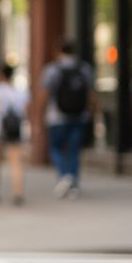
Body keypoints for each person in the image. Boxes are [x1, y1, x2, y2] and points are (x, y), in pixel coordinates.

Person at [39, 38, 95, 199]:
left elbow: (44, 93)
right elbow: (91, 93)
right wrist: (92, 111)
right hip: (79, 115)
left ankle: (64, 176)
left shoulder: (52, 69)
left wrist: (39, 114)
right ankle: (73, 182)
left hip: (56, 116)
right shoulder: (84, 68)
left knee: (56, 147)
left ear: (58, 51)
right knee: (74, 150)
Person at [0, 62, 29, 205]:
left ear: (0, 75)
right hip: (14, 130)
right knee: (16, 162)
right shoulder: (21, 92)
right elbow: (25, 111)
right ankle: (17, 192)